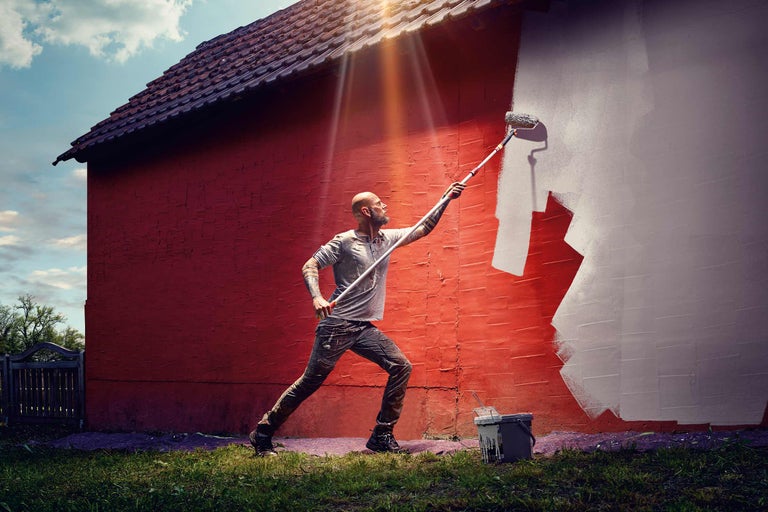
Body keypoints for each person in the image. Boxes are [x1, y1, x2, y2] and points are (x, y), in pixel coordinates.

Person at [249, 181, 466, 456]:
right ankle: (263, 432)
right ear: (366, 211)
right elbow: (311, 264)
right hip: (337, 325)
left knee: (401, 366)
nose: (384, 205)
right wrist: (316, 297)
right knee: (309, 383)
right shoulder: (345, 242)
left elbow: (423, 228)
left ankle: (382, 435)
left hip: (362, 327)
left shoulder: (386, 240)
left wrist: (446, 198)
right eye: (378, 203)